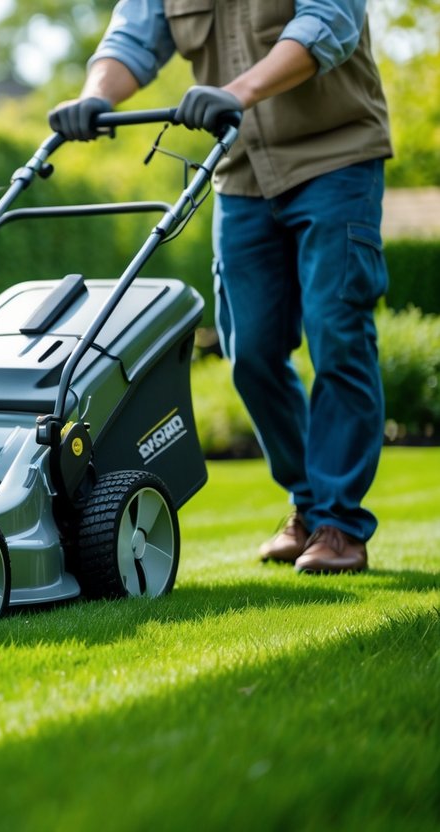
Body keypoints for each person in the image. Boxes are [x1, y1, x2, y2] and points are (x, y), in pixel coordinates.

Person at [49, 0, 392, 574]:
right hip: (242, 172)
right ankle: (310, 508)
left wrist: (240, 89)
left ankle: (339, 524)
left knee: (337, 333)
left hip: (334, 158)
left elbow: (327, 24)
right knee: (250, 352)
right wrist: (95, 97)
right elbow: (133, 39)